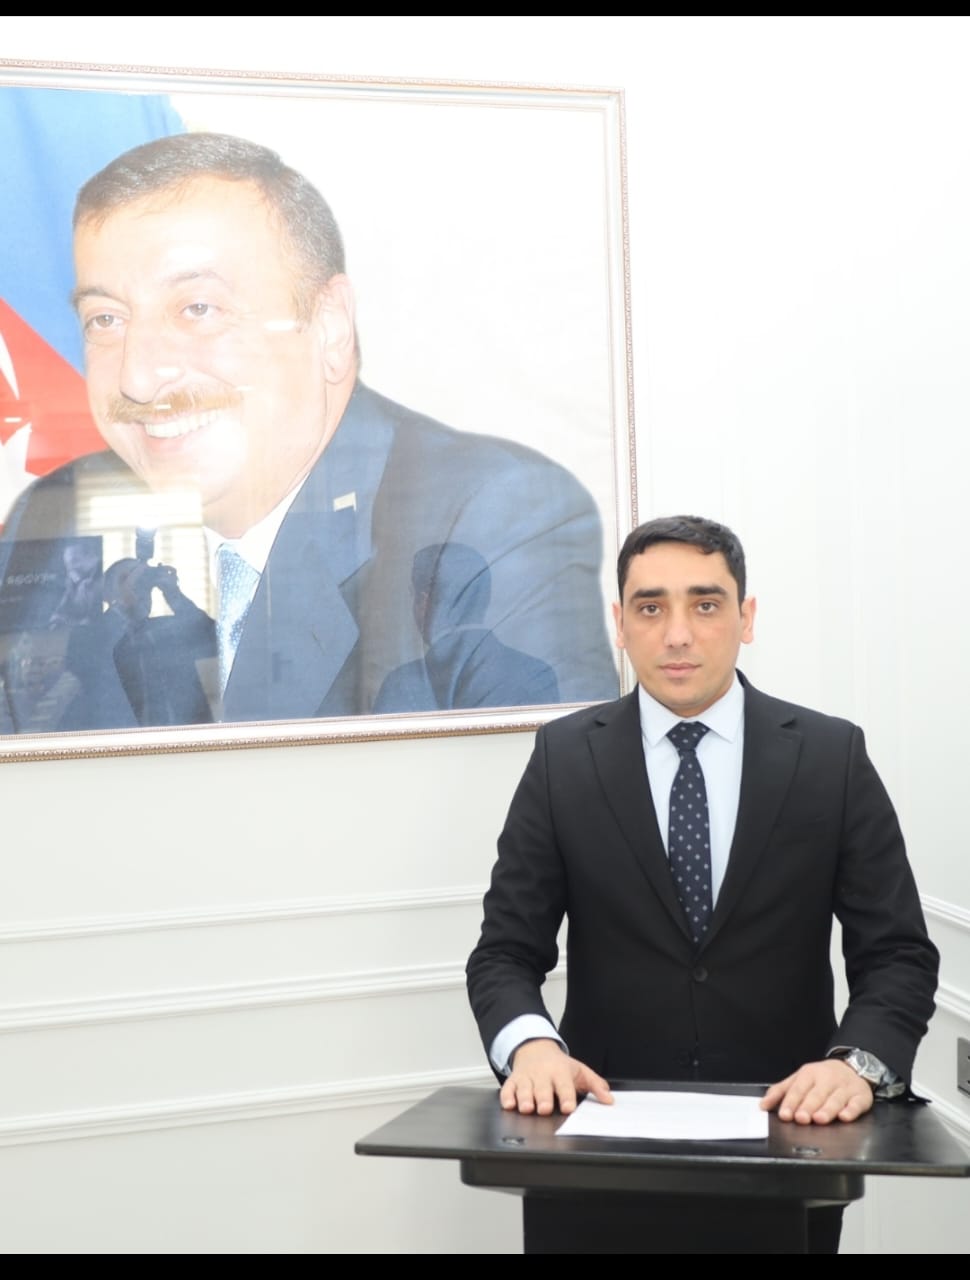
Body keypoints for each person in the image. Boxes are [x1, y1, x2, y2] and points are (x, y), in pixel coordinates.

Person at [0, 129, 619, 733]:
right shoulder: (52, 520)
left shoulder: (492, 517)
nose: (137, 376)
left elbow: (543, 797)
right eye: (105, 319)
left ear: (329, 327)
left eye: (197, 309)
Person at [465, 514, 939, 1254]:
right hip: (594, 1153)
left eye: (706, 604)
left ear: (746, 619)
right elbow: (504, 953)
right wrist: (531, 1049)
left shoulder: (831, 756)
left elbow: (898, 955)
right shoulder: (563, 758)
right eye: (651, 607)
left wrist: (857, 1066)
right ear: (620, 624)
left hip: (789, 1148)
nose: (677, 634)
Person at [373, 542, 560, 711]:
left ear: (424, 601)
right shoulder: (536, 675)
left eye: (412, 595)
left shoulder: (401, 685)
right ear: (484, 597)